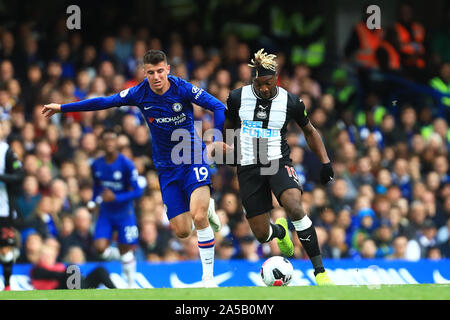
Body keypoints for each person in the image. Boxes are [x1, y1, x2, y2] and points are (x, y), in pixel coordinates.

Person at [41, 49, 226, 287]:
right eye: (151, 72)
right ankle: (207, 207)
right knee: (182, 230)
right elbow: (105, 102)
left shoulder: (183, 88)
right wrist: (63, 108)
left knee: (198, 216)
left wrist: (218, 136)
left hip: (192, 158)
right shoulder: (139, 93)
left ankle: (208, 278)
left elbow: (218, 106)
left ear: (168, 69)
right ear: (144, 73)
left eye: (161, 71)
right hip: (166, 168)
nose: (157, 76)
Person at [223, 49, 334, 285]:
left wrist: (325, 161)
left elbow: (310, 131)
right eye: (259, 83)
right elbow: (229, 126)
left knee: (294, 206)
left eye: (269, 83)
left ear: (277, 79)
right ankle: (281, 232)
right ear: (253, 80)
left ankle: (320, 272)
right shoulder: (236, 98)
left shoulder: (291, 102)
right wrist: (230, 153)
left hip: (277, 161)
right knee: (262, 234)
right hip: (249, 165)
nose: (264, 88)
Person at [86, 129, 143, 287]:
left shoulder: (126, 164)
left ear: (117, 142)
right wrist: (93, 201)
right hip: (106, 213)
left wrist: (116, 197)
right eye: (106, 139)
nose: (109, 142)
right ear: (102, 143)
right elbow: (97, 187)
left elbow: (138, 191)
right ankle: (126, 257)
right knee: (99, 248)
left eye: (112, 139)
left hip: (125, 213)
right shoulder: (96, 164)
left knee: (125, 248)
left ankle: (131, 286)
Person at [0, 120, 25, 291]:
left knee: (5, 248)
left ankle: (7, 286)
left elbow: (19, 175)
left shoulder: (5, 151)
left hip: (3, 209)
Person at [30, 244, 115, 290]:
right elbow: (55, 275)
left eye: (50, 255)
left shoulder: (59, 266)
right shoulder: (37, 270)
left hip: (75, 287)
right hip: (57, 291)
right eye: (45, 256)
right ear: (40, 257)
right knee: (71, 269)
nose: (48, 258)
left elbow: (64, 275)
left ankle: (117, 293)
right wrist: (72, 274)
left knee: (99, 270)